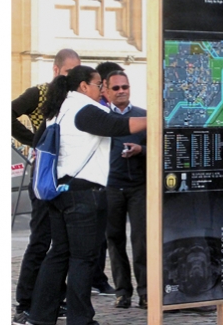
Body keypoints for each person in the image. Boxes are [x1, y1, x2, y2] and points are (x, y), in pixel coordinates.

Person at [25, 65, 146, 325]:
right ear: (83, 87)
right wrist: (160, 118)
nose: (102, 90)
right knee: (82, 259)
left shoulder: (58, 109)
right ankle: (80, 319)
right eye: (98, 85)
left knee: (58, 254)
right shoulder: (84, 109)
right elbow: (121, 124)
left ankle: (40, 316)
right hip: (84, 195)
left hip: (60, 191)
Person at [12, 48, 80, 324]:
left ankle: (53, 297)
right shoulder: (39, 94)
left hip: (67, 178)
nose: (71, 78)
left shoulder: (77, 98)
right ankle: (25, 302)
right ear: (56, 70)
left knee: (62, 242)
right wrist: (33, 141)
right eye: (67, 73)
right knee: (41, 239)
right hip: (44, 175)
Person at [103, 70, 149, 309]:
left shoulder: (143, 116)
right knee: (114, 239)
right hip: (110, 187)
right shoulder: (100, 118)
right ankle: (122, 291)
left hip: (138, 187)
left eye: (125, 87)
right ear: (106, 91)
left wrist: (141, 150)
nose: (122, 91)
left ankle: (145, 292)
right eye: (117, 88)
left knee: (141, 240)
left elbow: (161, 150)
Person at [88, 61, 126, 296]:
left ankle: (98, 277)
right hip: (99, 180)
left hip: (114, 178)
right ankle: (96, 278)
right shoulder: (96, 110)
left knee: (105, 235)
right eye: (114, 86)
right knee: (99, 235)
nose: (120, 91)